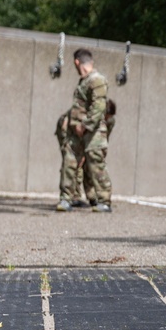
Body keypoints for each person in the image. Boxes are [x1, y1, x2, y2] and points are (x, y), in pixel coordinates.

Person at [56, 49, 113, 213]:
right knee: (69, 161)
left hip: (93, 131)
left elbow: (99, 107)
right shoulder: (84, 81)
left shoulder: (97, 80)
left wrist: (85, 126)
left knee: (96, 165)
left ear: (76, 62)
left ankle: (104, 200)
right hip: (76, 131)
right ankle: (66, 198)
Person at [56, 98, 116, 209]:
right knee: (73, 163)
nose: (108, 119)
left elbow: (103, 139)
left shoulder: (109, 121)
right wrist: (80, 153)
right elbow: (72, 129)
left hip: (88, 135)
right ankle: (74, 196)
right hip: (69, 131)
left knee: (92, 163)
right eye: (106, 117)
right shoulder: (83, 114)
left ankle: (92, 196)